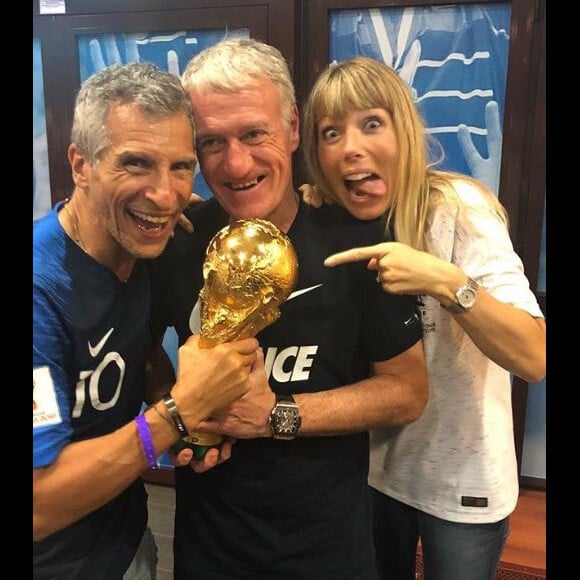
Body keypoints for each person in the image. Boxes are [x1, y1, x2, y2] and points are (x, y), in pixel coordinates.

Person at [148, 38, 429, 579]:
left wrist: (274, 416)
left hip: (326, 550)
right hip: (209, 548)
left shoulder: (357, 243)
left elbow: (407, 391)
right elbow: (143, 353)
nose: (235, 163)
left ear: (293, 127)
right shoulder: (181, 245)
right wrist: (177, 412)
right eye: (211, 142)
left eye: (255, 133)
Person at [301, 56, 546, 580]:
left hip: (462, 482)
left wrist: (444, 281)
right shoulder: (330, 218)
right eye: (330, 132)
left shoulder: (459, 211)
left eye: (371, 123)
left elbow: (534, 356)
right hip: (369, 474)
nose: (351, 147)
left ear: (404, 131)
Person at [33, 62, 259, 580]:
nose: (165, 195)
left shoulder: (141, 244)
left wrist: (167, 400)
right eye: (136, 164)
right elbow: (38, 506)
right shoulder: (41, 291)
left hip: (130, 542)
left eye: (180, 167)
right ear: (81, 164)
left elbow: (127, 350)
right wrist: (178, 414)